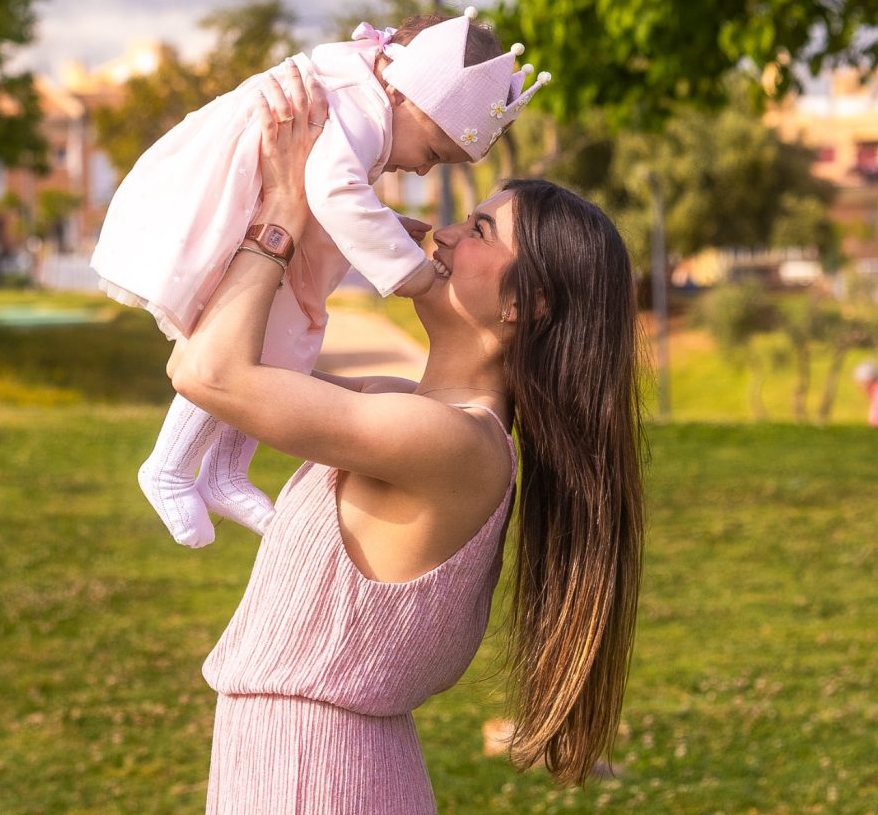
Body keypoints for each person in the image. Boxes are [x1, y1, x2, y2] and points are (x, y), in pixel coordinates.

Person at [170, 61, 645, 811]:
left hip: (314, 780)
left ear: (528, 302)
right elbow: (223, 368)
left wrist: (290, 211)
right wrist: (311, 204)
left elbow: (209, 374)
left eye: (480, 230)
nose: (446, 232)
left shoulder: (451, 444)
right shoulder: (408, 412)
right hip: (301, 769)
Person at [92, 8, 552, 548]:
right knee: (253, 333)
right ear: (406, 93)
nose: (425, 171)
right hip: (241, 197)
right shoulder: (362, 108)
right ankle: (169, 466)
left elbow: (326, 195)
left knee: (284, 338)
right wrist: (413, 274)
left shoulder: (366, 100)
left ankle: (222, 470)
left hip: (263, 202)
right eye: (432, 153)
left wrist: (380, 229)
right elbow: (332, 193)